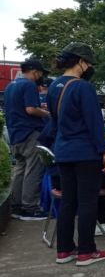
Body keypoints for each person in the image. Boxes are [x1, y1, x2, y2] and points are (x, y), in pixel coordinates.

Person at [49, 42, 105, 266]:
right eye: (89, 63)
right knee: (87, 202)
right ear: (80, 62)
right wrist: (104, 151)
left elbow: (54, 124)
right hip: (84, 153)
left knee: (68, 202)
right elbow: (94, 122)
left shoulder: (53, 86)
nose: (89, 67)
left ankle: (64, 250)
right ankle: (86, 251)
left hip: (62, 152)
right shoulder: (83, 87)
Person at [4, 58, 50, 220]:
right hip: (30, 132)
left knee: (20, 169)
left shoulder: (10, 86)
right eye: (40, 73)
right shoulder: (29, 85)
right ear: (34, 71)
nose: (40, 76)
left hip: (15, 133)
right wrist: (47, 114)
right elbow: (30, 109)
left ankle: (16, 207)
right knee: (34, 169)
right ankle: (30, 207)